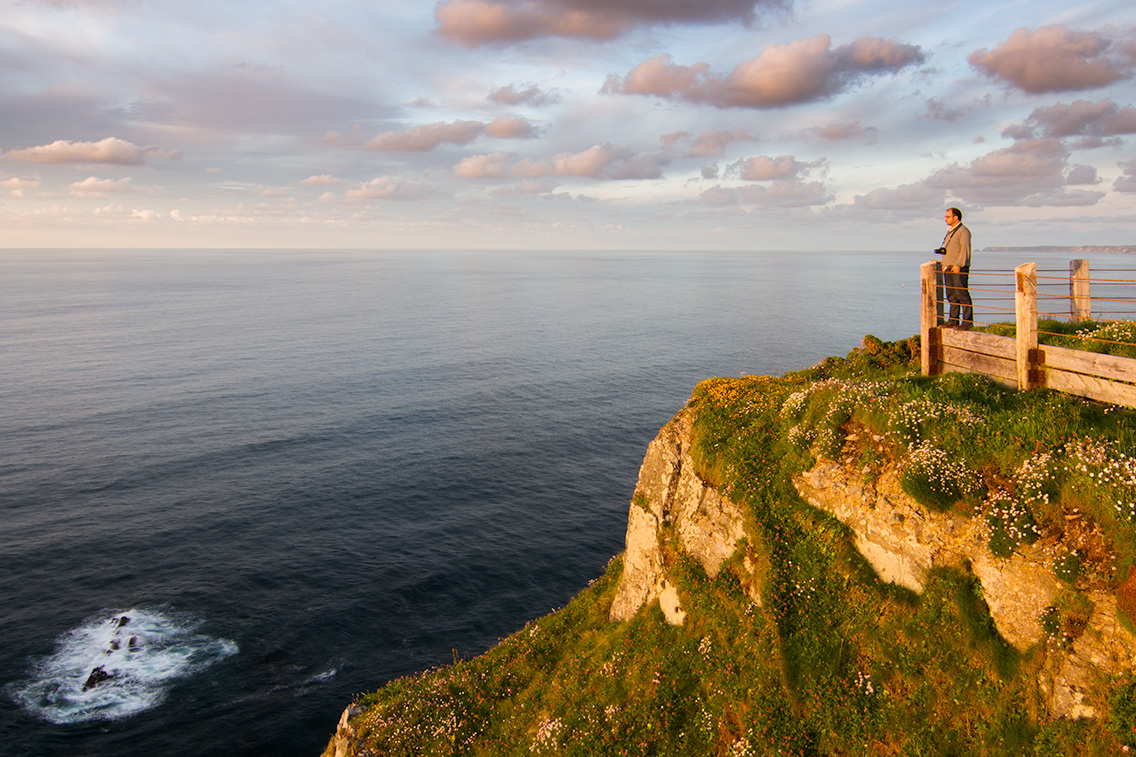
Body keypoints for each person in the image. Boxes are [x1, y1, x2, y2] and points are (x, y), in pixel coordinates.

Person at [941, 207, 972, 329]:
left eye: (948, 216)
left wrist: (958, 264)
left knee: (962, 294)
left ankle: (967, 322)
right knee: (951, 295)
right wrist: (945, 263)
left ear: (956, 217)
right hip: (949, 267)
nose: (946, 219)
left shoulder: (963, 231)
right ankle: (953, 321)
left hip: (959, 268)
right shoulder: (951, 231)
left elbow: (965, 249)